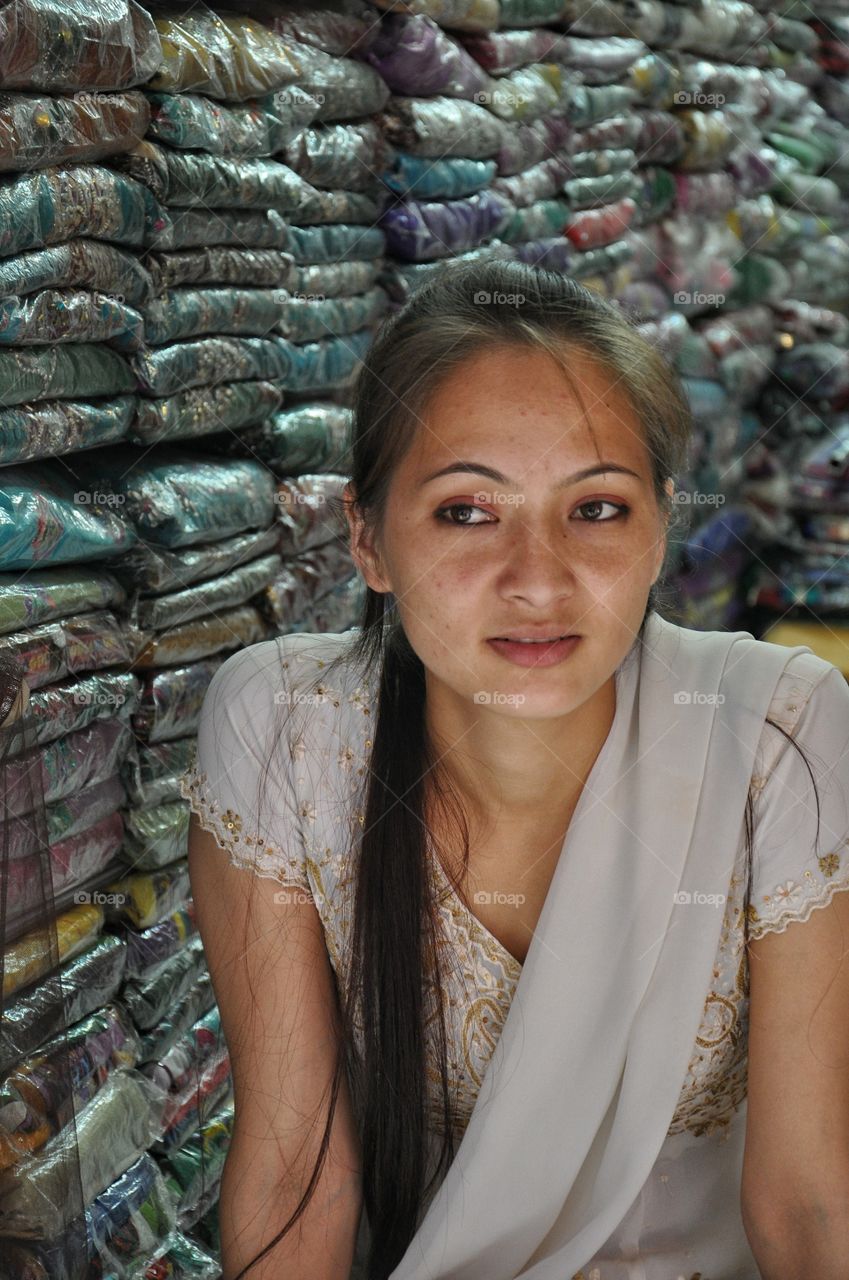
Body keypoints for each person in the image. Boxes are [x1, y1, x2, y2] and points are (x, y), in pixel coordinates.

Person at [183, 259, 849, 1280]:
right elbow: (295, 1171)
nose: (537, 580)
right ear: (367, 539)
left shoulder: (776, 735)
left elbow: (806, 1201)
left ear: (663, 525)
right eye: (465, 510)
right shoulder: (287, 733)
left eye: (596, 510)